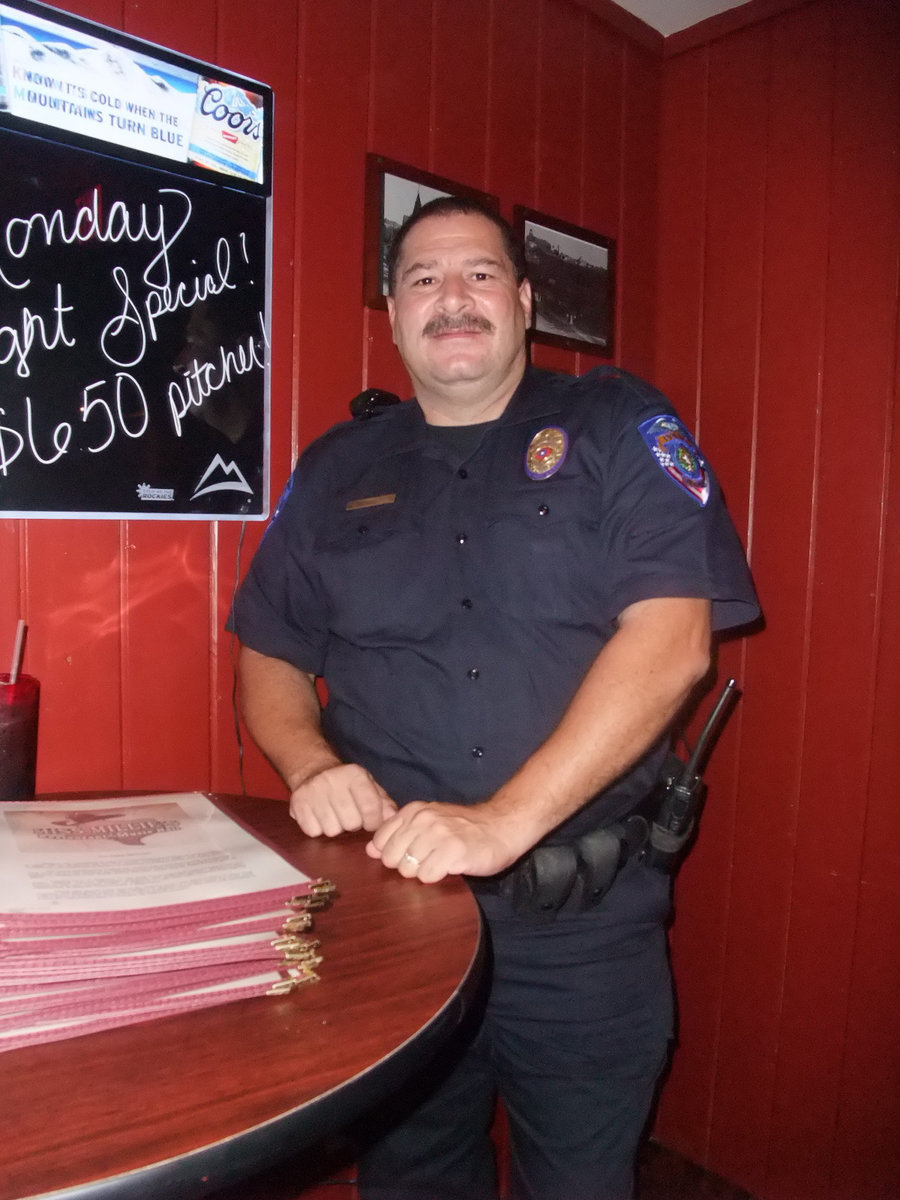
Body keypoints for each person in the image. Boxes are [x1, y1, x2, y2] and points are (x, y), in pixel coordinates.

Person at [228, 196, 759, 1200]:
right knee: (411, 1176)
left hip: (585, 933)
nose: (452, 297)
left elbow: (676, 640)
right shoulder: (335, 470)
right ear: (393, 314)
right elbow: (268, 651)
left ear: (522, 302)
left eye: (477, 273)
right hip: (396, 918)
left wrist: (499, 823)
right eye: (423, 278)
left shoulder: (616, 423)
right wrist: (311, 764)